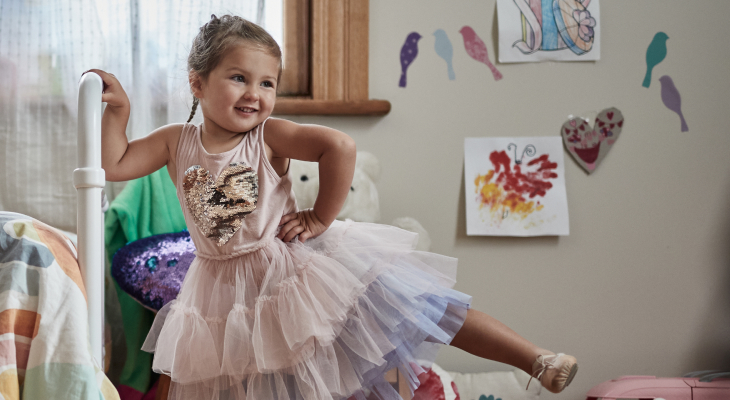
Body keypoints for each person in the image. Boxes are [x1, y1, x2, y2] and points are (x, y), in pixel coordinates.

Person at [87, 14, 577, 400]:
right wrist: (119, 113)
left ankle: (536, 359)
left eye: (268, 84)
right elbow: (116, 163)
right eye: (239, 78)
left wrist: (320, 217)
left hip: (291, 269)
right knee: (228, 383)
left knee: (420, 307)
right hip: (219, 287)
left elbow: (339, 147)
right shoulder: (177, 142)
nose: (255, 95)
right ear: (197, 83)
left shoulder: (267, 135)